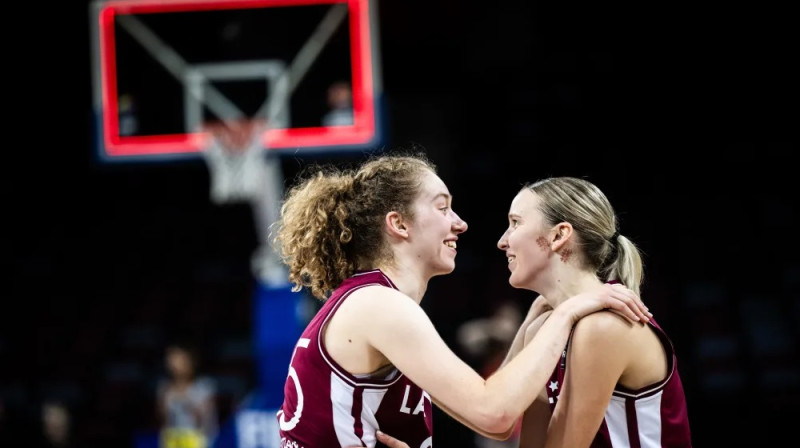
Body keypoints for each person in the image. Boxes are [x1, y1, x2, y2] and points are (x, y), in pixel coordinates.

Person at [270, 152, 651, 448]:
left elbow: (501, 407)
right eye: (442, 207)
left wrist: (539, 316)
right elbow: (495, 414)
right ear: (399, 224)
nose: (460, 223)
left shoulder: (369, 301)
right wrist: (567, 311)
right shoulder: (379, 306)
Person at [372, 176, 693, 448]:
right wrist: (529, 326)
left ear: (558, 236)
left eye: (515, 224)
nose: (502, 241)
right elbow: (501, 419)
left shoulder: (604, 328)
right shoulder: (545, 329)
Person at [156, 341, 219, 448]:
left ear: (191, 361)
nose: (175, 365)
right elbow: (163, 421)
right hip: (173, 442)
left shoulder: (204, 387)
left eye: (180, 360)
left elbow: (206, 422)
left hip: (199, 441)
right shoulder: (165, 389)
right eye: (171, 360)